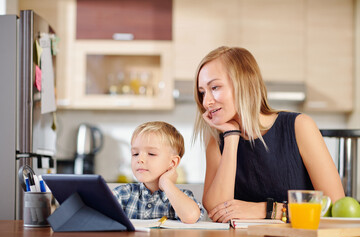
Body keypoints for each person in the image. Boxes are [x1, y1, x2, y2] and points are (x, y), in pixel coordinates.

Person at [193, 46, 345, 223]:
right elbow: (218, 210)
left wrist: (266, 209)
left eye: (215, 87)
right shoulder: (218, 138)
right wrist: (232, 137)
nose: (206, 102)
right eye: (202, 92)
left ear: (244, 84)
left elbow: (335, 206)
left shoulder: (299, 126)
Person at [113, 121, 204, 224]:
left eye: (151, 154)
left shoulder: (182, 196)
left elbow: (190, 217)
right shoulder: (124, 193)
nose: (140, 159)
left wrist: (166, 183)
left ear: (173, 163)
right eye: (135, 154)